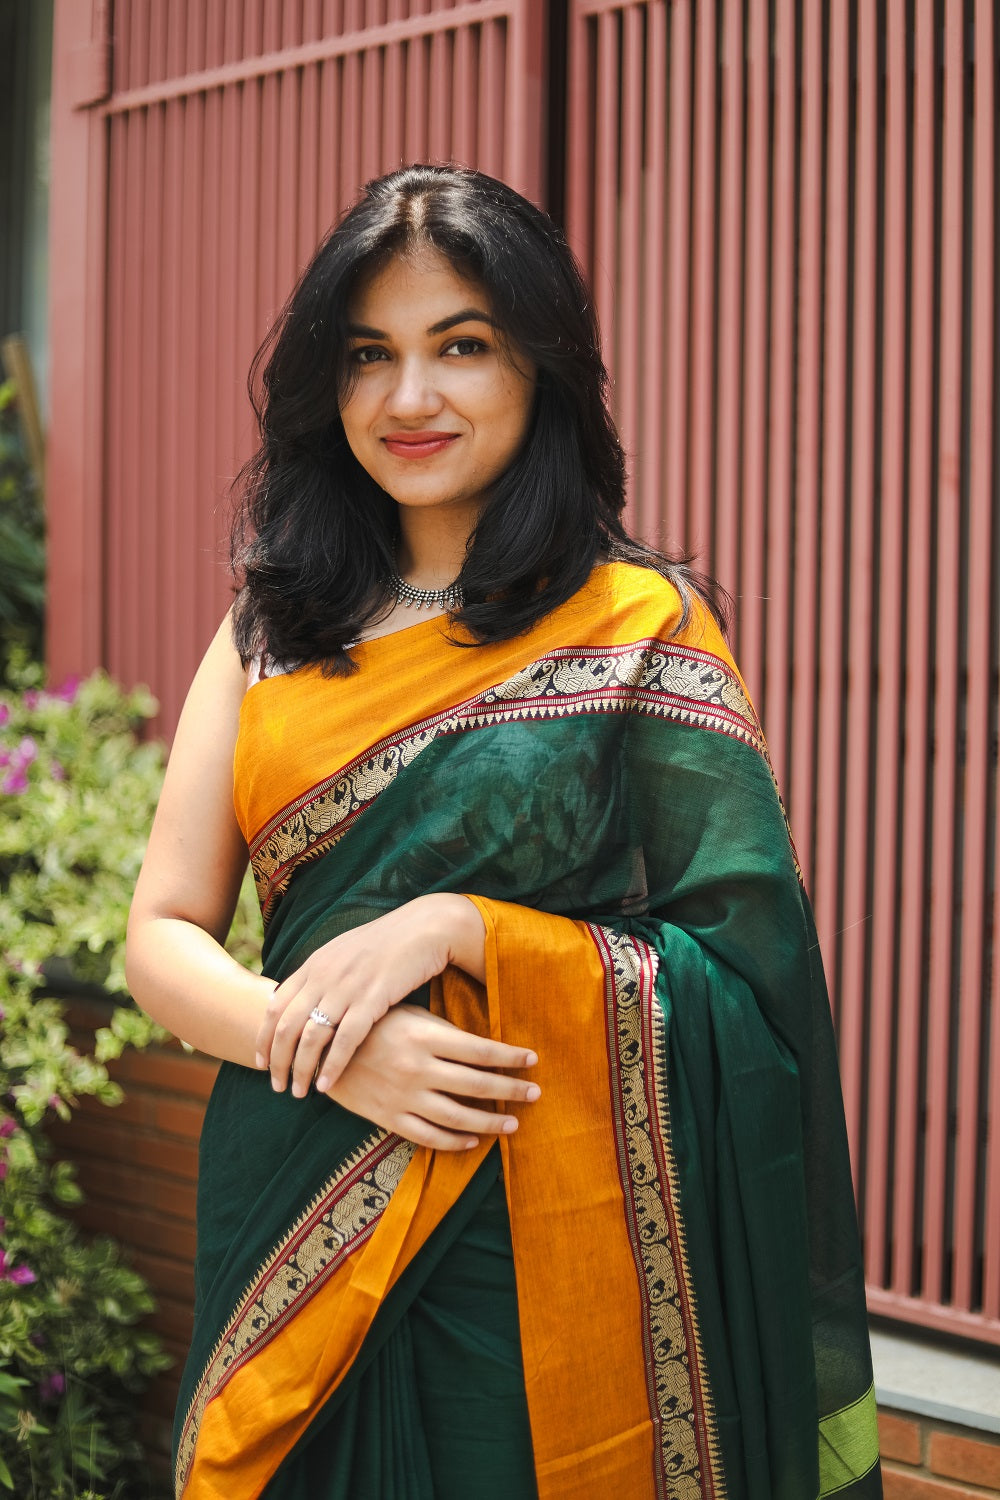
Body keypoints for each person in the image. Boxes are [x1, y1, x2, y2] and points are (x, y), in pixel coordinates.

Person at [125, 164, 882, 1500]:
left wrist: (462, 930)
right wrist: (322, 1055)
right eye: (369, 355)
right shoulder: (270, 630)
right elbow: (162, 934)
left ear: (541, 368)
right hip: (293, 1202)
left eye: (460, 347)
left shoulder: (638, 626)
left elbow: (750, 990)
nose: (409, 399)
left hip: (543, 1250)